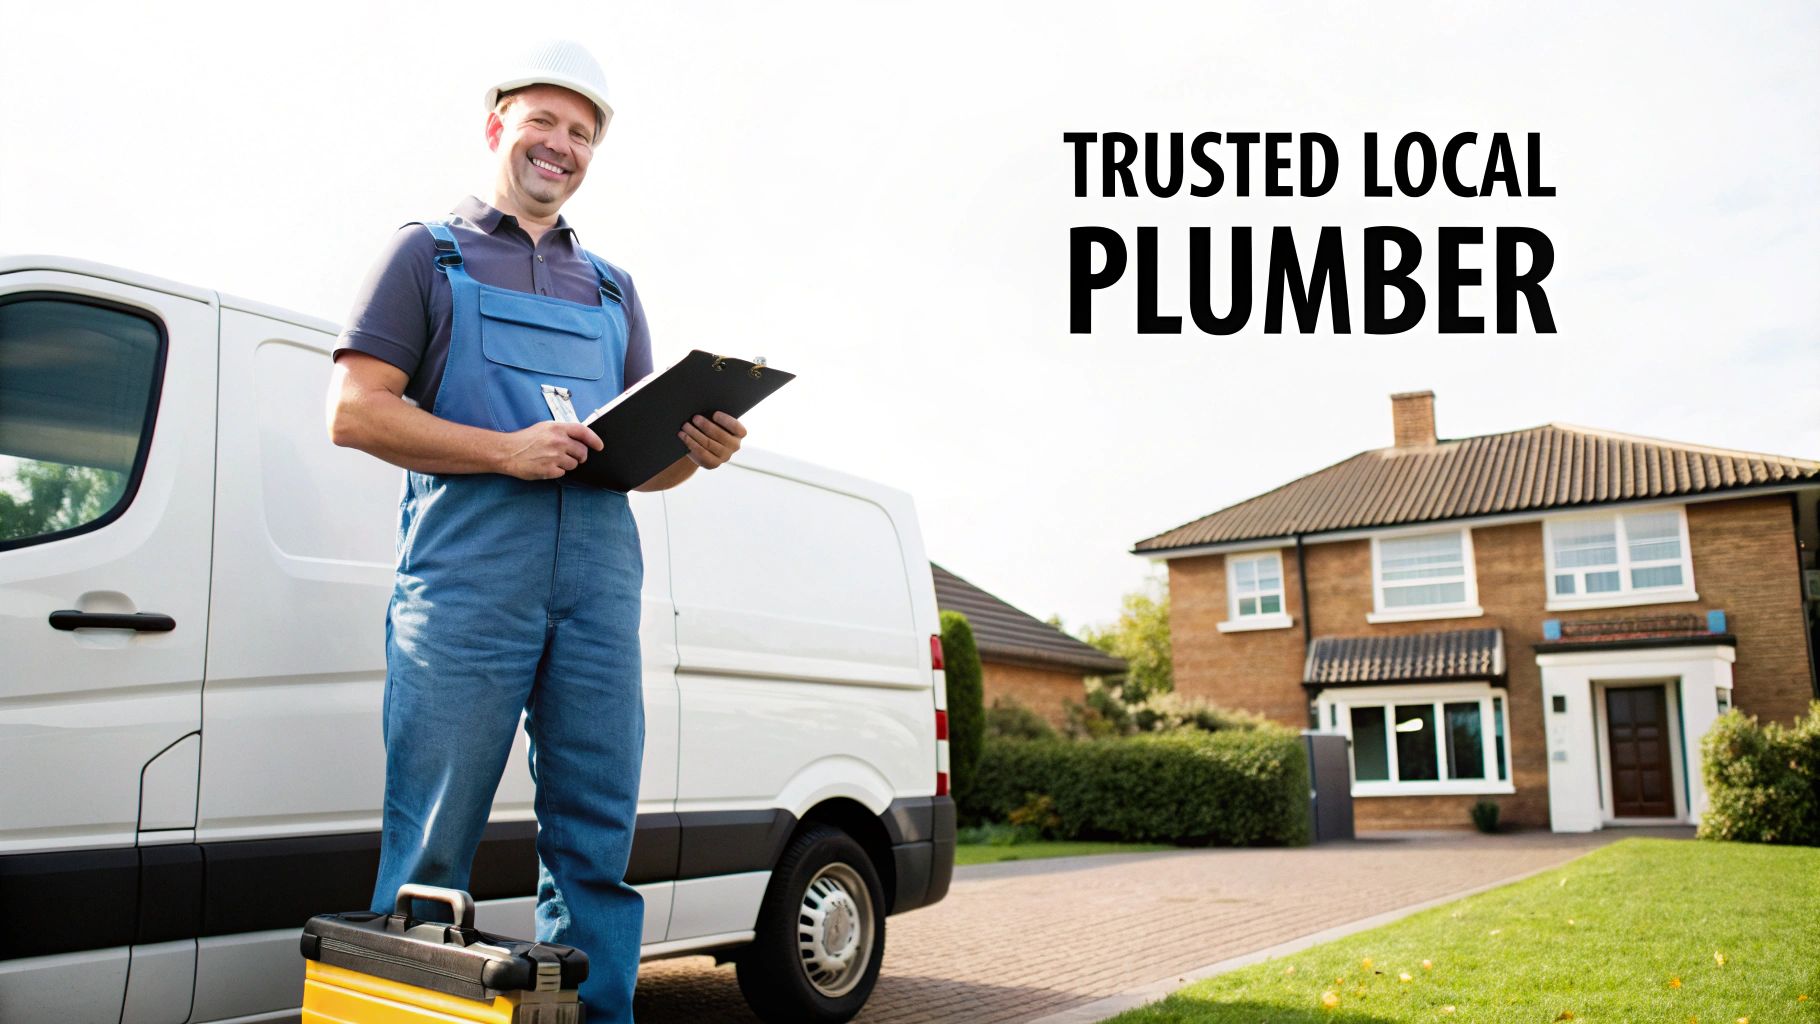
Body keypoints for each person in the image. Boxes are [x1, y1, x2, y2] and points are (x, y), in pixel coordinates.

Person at [325, 39, 743, 1021]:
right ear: (495, 127)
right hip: (469, 581)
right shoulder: (424, 254)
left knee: (598, 842)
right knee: (431, 842)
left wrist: (696, 446)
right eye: (543, 122)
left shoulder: (611, 289)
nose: (561, 145)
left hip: (598, 588)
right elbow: (353, 409)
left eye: (581, 133)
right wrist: (505, 450)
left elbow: (642, 464)